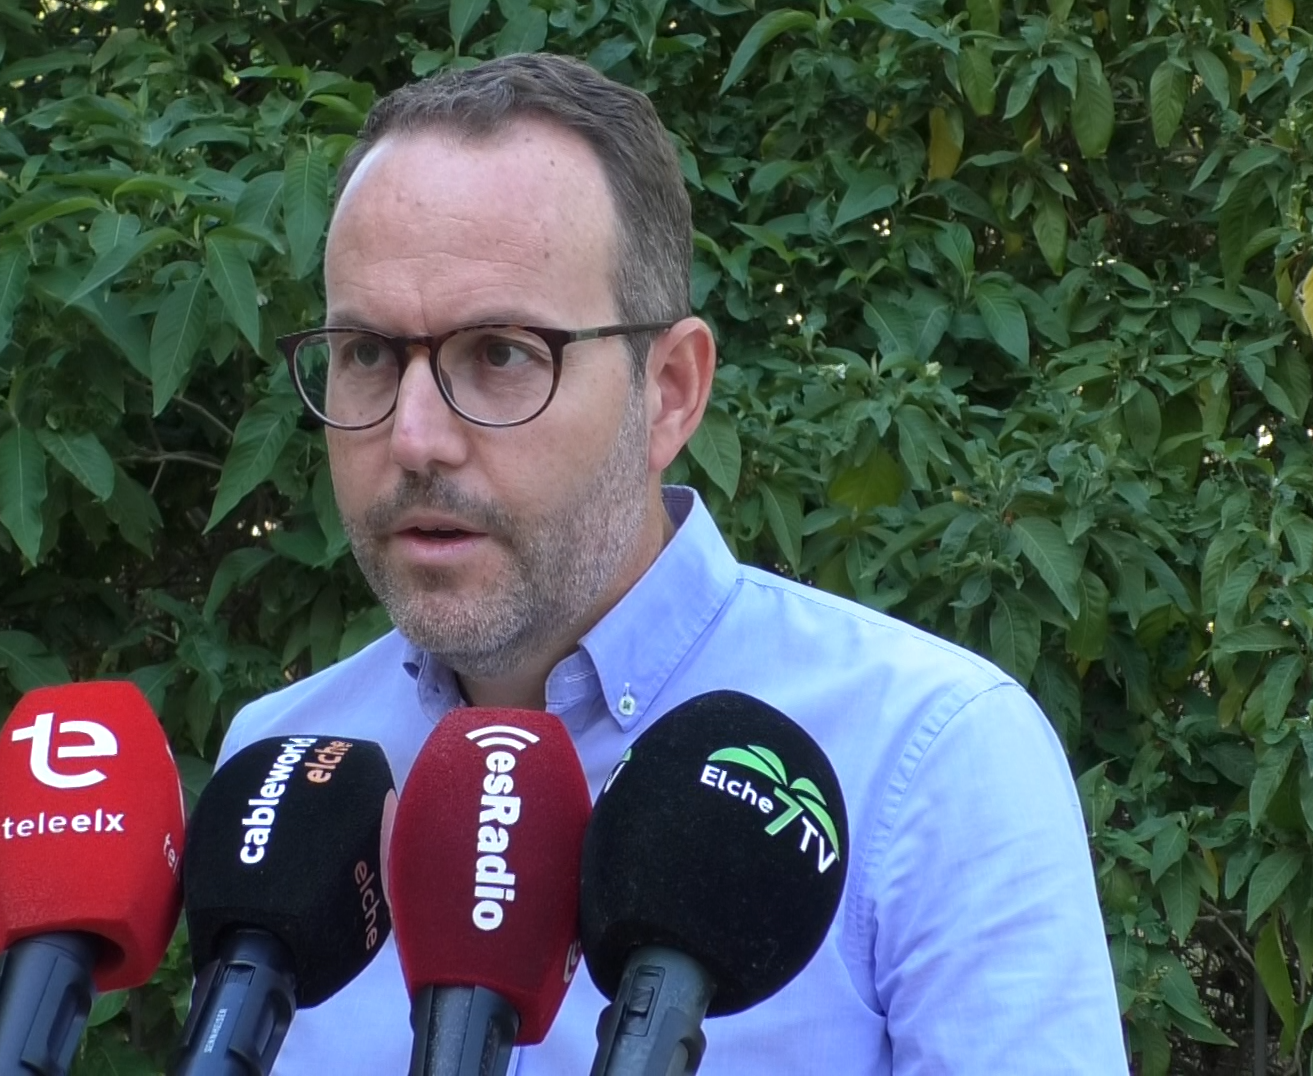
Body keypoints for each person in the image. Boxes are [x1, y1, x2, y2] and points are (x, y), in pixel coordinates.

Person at [215, 52, 1128, 1074]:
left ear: (672, 392)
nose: (415, 436)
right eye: (367, 354)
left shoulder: (928, 759)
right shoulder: (286, 769)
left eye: (502, 353)